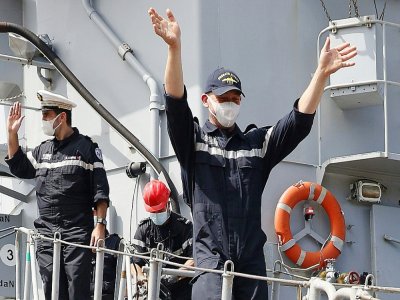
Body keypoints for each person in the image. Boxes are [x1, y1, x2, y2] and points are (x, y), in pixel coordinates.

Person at [148, 7, 357, 300]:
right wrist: (174, 48)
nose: (230, 104)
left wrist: (321, 74)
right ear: (207, 100)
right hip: (210, 265)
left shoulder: (256, 145)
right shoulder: (193, 143)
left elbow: (297, 122)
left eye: (235, 98)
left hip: (251, 268)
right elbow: (175, 104)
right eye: (223, 98)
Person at [5, 90, 110, 300]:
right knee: (51, 288)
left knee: (77, 290)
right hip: (46, 234)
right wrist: (11, 134)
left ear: (62, 117)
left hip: (76, 233)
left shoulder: (87, 148)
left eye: (47, 115)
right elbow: (19, 166)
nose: (43, 120)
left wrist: (100, 226)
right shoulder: (42, 151)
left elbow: (100, 191)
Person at [130, 179, 193, 300]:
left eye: (160, 210)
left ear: (168, 204)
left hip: (181, 291)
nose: (156, 214)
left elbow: (194, 259)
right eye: (153, 212)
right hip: (152, 291)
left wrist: (175, 275)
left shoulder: (184, 227)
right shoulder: (143, 229)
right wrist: (142, 278)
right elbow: (134, 262)